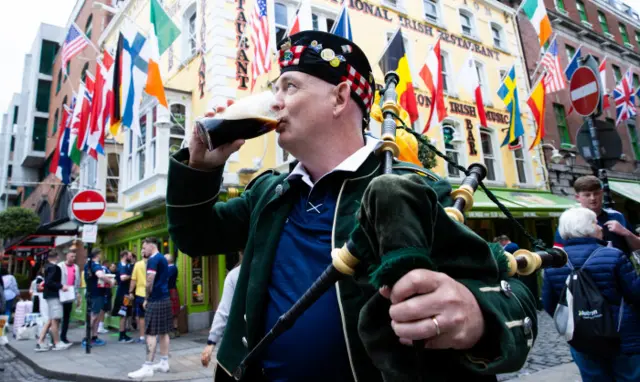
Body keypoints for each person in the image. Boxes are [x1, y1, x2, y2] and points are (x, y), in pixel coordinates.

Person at [166, 31, 538, 381]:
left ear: (340, 98)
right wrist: (200, 169)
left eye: (289, 87)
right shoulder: (269, 190)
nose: (275, 101)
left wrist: (475, 314)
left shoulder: (412, 190)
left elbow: (513, 293)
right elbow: (196, 238)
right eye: (274, 89)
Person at [543, 207, 640, 381]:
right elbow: (636, 294)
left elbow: (551, 304)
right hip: (622, 336)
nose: (600, 227)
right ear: (586, 228)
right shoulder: (614, 255)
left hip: (582, 338)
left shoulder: (553, 264)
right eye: (595, 223)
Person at [554, 176, 640, 255]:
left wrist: (626, 232)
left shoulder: (617, 216)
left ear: (602, 193)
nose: (592, 198)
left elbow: (637, 247)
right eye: (587, 195)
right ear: (577, 197)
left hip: (621, 268)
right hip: (587, 270)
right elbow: (559, 252)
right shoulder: (570, 220)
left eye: (596, 193)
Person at [128, 238, 173, 379]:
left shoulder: (153, 260)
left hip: (155, 300)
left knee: (150, 333)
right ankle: (164, 362)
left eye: (144, 247)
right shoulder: (163, 258)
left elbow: (149, 281)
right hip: (165, 298)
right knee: (164, 332)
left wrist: (146, 298)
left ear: (151, 245)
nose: (143, 250)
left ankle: (148, 366)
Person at [201, 254, 242, 368]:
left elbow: (224, 311)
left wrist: (211, 343)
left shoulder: (235, 274)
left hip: (242, 343)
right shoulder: (274, 269)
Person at [35, 251, 71, 352]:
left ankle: (41, 341)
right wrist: (61, 286)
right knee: (55, 319)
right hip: (54, 295)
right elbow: (50, 282)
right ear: (57, 257)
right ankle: (56, 343)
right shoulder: (54, 267)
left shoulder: (47, 267)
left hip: (49, 295)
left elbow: (47, 281)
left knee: (51, 319)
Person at [83, 248, 114, 347]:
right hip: (96, 294)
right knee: (94, 316)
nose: (102, 256)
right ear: (98, 255)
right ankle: (86, 338)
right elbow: (100, 275)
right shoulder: (95, 265)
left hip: (92, 293)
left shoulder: (88, 264)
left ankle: (94, 337)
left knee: (95, 317)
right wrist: (110, 281)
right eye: (101, 254)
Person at [57, 251, 81, 345]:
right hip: (61, 291)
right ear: (67, 256)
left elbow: (77, 281)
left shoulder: (76, 267)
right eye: (71, 256)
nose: (73, 258)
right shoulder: (60, 266)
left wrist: (77, 293)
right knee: (57, 316)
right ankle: (54, 336)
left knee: (67, 316)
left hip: (70, 293)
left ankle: (63, 336)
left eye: (74, 256)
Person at [112, 250, 134, 343]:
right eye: (129, 255)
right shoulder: (122, 266)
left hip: (125, 294)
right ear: (125, 256)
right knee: (123, 314)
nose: (131, 257)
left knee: (125, 314)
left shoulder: (123, 266)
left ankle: (123, 334)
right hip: (123, 295)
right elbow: (123, 278)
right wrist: (132, 275)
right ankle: (122, 336)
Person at [129, 250, 148, 344]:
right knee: (153, 316)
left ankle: (142, 337)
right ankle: (154, 336)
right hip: (152, 294)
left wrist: (130, 291)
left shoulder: (138, 265)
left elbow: (133, 280)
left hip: (140, 293)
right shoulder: (154, 263)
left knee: (141, 317)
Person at [164, 253, 180, 338]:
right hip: (171, 290)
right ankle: (174, 330)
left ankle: (172, 330)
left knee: (171, 312)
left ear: (168, 260)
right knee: (173, 312)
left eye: (164, 259)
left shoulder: (172, 268)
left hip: (170, 290)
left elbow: (166, 279)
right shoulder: (170, 268)